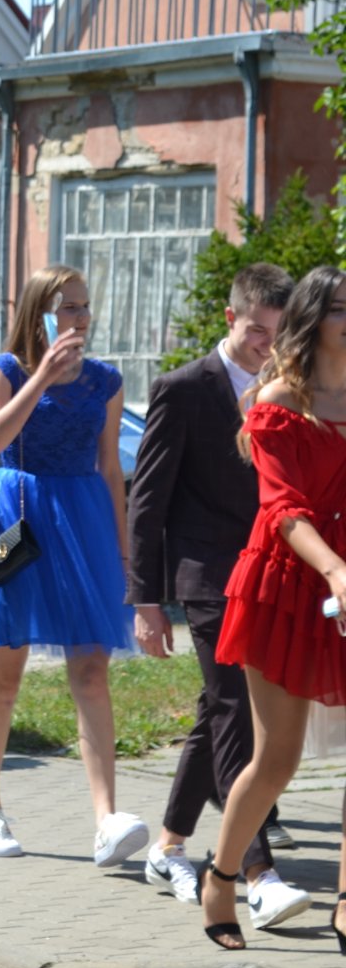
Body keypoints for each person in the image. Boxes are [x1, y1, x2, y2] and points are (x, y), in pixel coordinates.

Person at [129, 263, 306, 919]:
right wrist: (146, 600)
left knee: (215, 710)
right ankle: (255, 874)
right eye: (258, 331)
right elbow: (147, 502)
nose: (268, 345)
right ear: (231, 318)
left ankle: (170, 844)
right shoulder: (182, 389)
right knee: (235, 709)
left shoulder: (293, 390)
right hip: (206, 575)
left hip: (270, 575)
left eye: (279, 334)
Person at [0, 264, 148, 866]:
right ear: (39, 313)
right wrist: (40, 376)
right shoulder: (5, 369)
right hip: (14, 522)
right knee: (5, 673)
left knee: (92, 669)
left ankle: (107, 819)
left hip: (84, 522)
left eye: (85, 306)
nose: (81, 317)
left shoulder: (105, 381)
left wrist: (124, 555)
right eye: (69, 307)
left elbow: (111, 469)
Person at [197, 265, 346, 953]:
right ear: (313, 317)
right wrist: (335, 569)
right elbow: (283, 508)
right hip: (285, 586)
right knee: (278, 758)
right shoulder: (280, 399)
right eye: (342, 309)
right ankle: (222, 876)